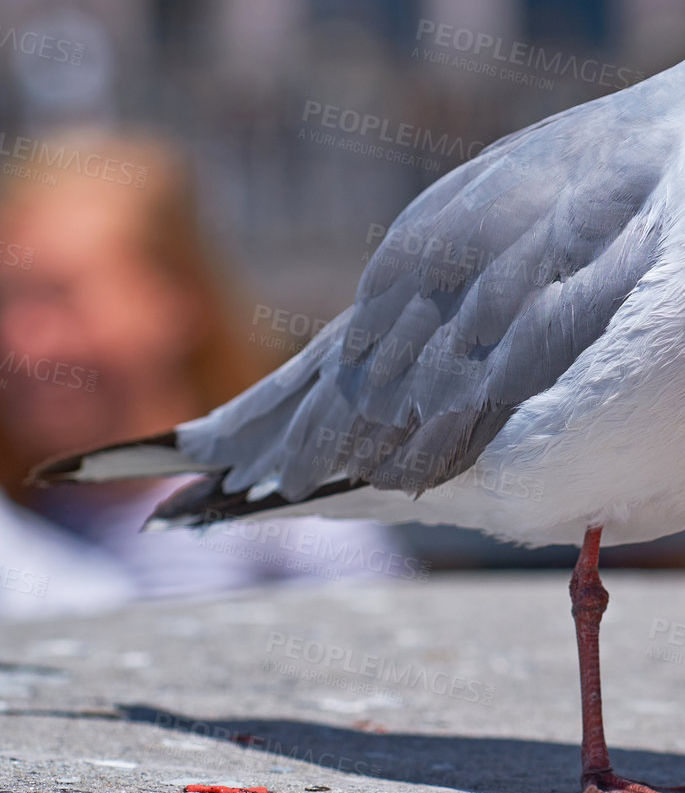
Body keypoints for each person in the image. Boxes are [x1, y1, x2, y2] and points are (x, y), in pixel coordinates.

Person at [0, 128, 408, 617]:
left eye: (61, 296)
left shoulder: (291, 525)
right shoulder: (23, 517)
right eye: (7, 300)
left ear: (176, 299)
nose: (23, 341)